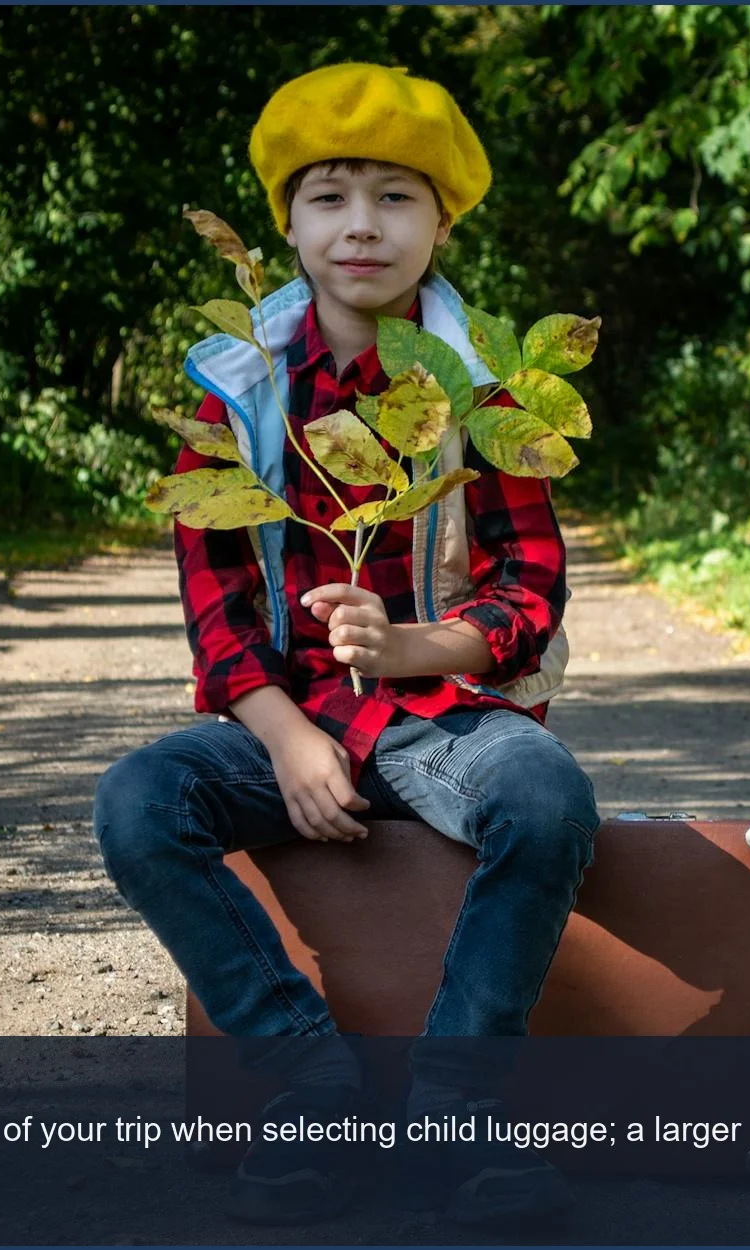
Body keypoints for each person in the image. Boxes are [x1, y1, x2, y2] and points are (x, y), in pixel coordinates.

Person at [92, 62, 598, 1228]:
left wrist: (419, 642)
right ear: (286, 224)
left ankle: (457, 1106)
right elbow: (215, 611)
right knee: (137, 801)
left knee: (543, 792)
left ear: (441, 222)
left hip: (444, 723)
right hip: (290, 726)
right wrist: (280, 738)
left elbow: (531, 583)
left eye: (395, 197)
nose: (360, 225)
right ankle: (307, 1085)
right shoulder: (238, 390)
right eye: (328, 196)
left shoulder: (481, 393)